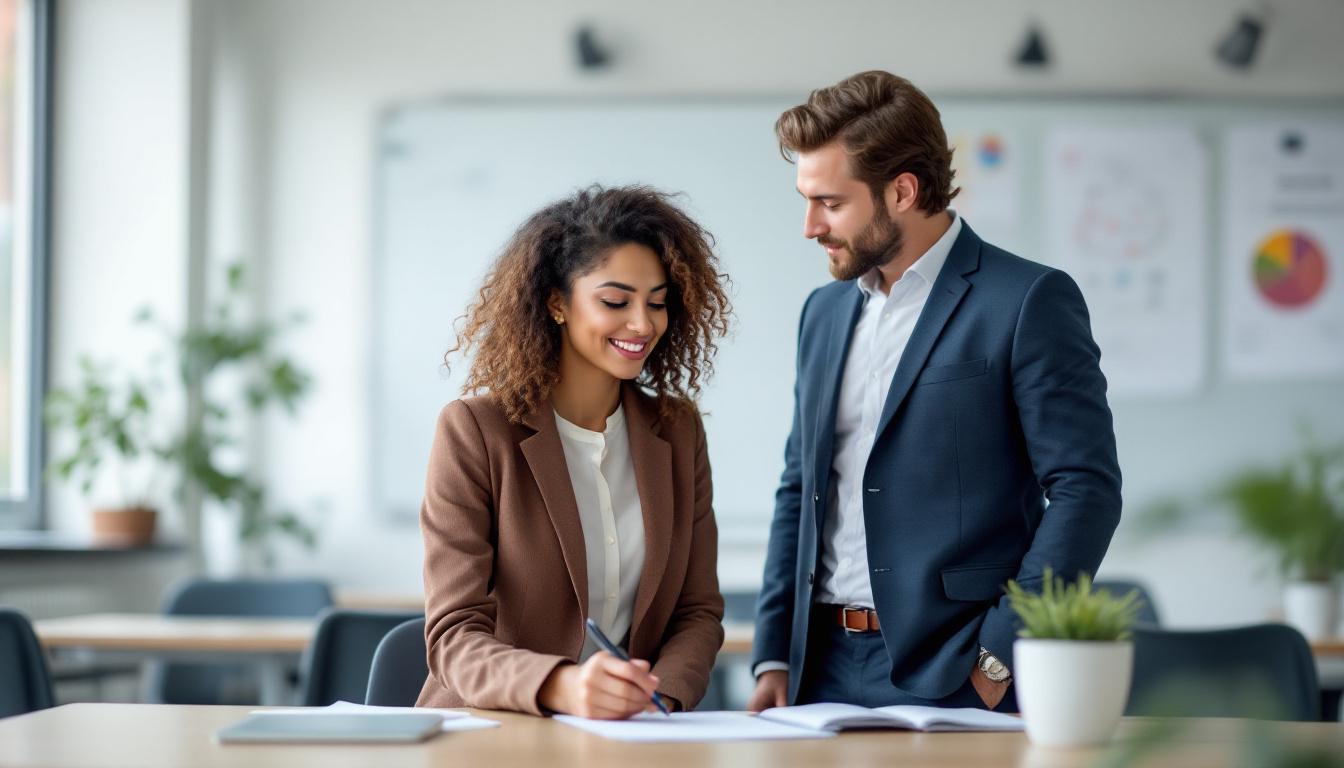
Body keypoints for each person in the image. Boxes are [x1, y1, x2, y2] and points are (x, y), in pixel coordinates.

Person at [749, 71, 1122, 712]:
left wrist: (1000, 656)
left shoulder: (1027, 300)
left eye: (830, 203)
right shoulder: (823, 312)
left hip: (958, 670)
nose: (810, 226)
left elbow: (1086, 490)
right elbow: (799, 487)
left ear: (902, 191)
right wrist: (775, 654)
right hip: (819, 671)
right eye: (806, 201)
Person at [416, 185, 731, 719]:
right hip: (495, 729)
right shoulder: (476, 430)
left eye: (657, 302)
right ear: (557, 302)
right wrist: (562, 686)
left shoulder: (678, 432)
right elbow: (453, 633)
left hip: (634, 733)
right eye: (615, 302)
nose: (643, 324)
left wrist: (658, 698)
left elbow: (696, 611)